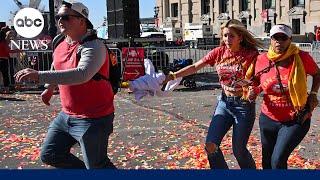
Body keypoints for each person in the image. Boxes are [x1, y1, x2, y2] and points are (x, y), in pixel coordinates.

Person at [14, 0, 116, 169]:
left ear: (82, 21)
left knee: (98, 166)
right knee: (50, 154)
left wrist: (38, 75)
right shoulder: (60, 41)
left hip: (94, 118)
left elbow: (82, 74)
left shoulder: (94, 46)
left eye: (66, 17)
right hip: (67, 115)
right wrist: (49, 88)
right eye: (58, 17)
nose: (60, 21)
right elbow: (57, 63)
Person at [164, 19, 263, 169]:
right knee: (211, 145)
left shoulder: (251, 55)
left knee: (239, 150)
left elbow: (259, 78)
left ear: (240, 37)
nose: (227, 40)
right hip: (224, 103)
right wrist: (172, 76)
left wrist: (253, 89)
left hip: (243, 106)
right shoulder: (219, 53)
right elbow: (195, 67)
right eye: (224, 36)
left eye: (231, 36)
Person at [246, 24, 320, 169]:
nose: (279, 41)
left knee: (277, 160)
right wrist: (252, 90)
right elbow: (254, 80)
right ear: (271, 39)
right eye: (276, 38)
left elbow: (317, 74)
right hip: (268, 119)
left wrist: (313, 94)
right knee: (267, 162)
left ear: (290, 39)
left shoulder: (301, 57)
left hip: (295, 119)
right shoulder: (261, 60)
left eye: (283, 37)